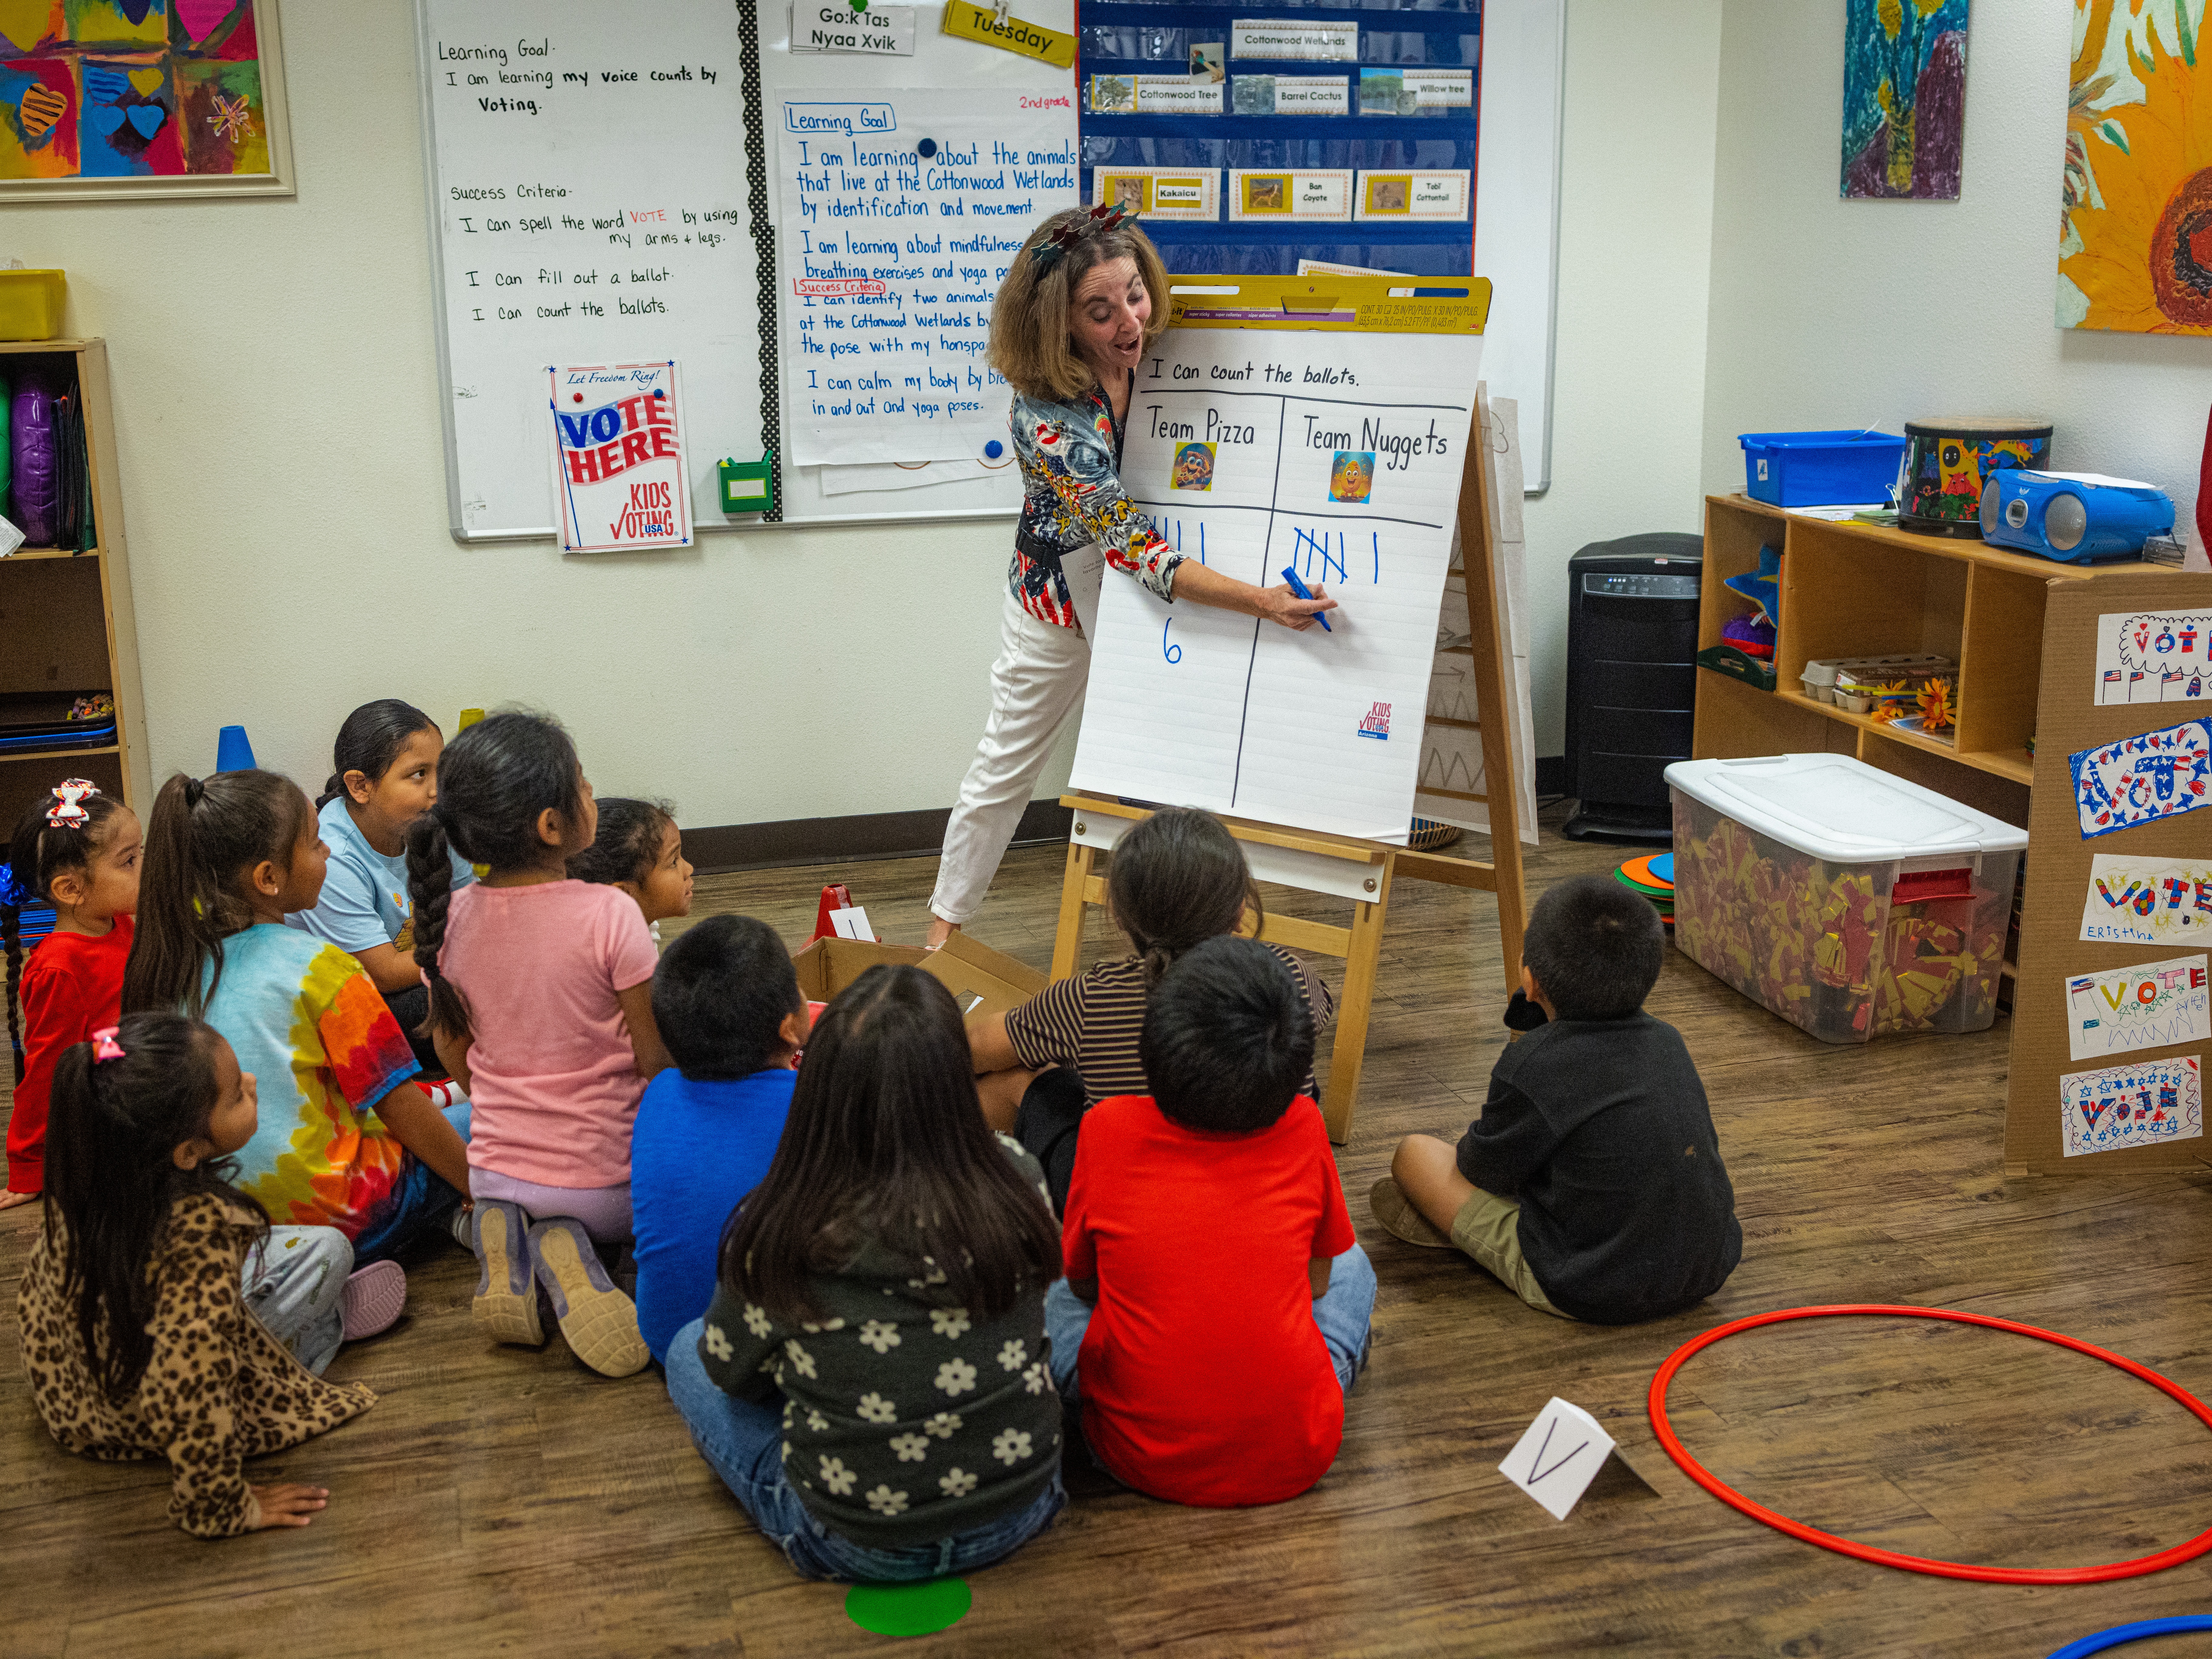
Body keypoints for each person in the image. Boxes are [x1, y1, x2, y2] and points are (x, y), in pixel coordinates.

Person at [924, 204, 1338, 949]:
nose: (1129, 322)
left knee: (1183, 756)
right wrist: (1257, 601)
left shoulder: (1168, 352)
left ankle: (1196, 929)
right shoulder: (1044, 415)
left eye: (1134, 295)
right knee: (1005, 767)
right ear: (1057, 323)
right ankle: (939, 941)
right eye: (1100, 310)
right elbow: (1134, 548)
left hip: (1165, 592)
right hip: (1060, 603)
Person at [665, 965, 1065, 1582]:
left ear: (820, 1086)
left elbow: (728, 1370)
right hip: (1021, 1507)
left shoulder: (778, 1220)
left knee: (684, 1352)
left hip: (855, 1539)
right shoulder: (1018, 1173)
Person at [15, 1012, 386, 1538]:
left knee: (288, 1250)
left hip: (80, 1394)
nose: (252, 1085)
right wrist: (222, 1502)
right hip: (140, 1415)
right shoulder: (198, 1237)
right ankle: (325, 1325)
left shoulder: (94, 1168)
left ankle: (321, 1318)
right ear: (187, 1152)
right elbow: (191, 1379)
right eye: (236, 1095)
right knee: (330, 1248)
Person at [1046, 936, 1375, 1506]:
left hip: (1128, 1450)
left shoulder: (1106, 1125)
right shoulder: (1304, 1120)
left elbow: (1081, 1283)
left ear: (1154, 1049)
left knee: (1049, 1282)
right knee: (1354, 1263)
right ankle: (1310, 1377)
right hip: (1299, 1449)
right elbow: (1319, 1282)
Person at [121, 770, 471, 1267]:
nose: (327, 851)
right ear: (268, 877)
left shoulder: (167, 971)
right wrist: (476, 1183)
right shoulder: (322, 966)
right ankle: (455, 1219)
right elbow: (401, 1112)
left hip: (237, 1225)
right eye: (314, 842)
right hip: (350, 1212)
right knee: (495, 1121)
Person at [407, 710, 666, 1378]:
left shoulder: (448, 919)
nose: (592, 795)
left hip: (495, 1171)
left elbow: (458, 1059)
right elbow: (653, 1058)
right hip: (609, 1185)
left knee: (476, 1116)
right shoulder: (610, 912)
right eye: (582, 786)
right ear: (553, 827)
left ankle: (526, 1234)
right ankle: (597, 1253)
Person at [1371, 874, 1743, 1325]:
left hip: (1590, 1287)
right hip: (1706, 1270)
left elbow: (1480, 1170)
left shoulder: (1533, 1064)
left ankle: (1478, 1240)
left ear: (1531, 979)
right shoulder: (1669, 1041)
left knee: (1415, 1155)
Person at [967, 806, 1333, 1210]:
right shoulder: (1292, 978)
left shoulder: (1089, 998)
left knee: (1019, 1076)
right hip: (1270, 1194)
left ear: (1121, 918)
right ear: (1240, 910)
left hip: (1135, 1198)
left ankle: (938, 1165)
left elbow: (977, 1046)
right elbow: (1318, 1015)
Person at [630, 915, 802, 1364]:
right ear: (790, 1029)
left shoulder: (659, 1095)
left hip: (671, 1345)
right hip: (783, 1356)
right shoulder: (816, 1102)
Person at [285, 700, 475, 1077]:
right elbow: (386, 972)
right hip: (365, 1002)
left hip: (424, 969)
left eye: (443, 770)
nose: (438, 790)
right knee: (453, 1001)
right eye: (419, 774)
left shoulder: (432, 822)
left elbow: (475, 910)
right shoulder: (332, 856)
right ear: (360, 786)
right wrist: (478, 951)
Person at [2, 780, 141, 1210]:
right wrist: (28, 1168)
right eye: (130, 861)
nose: (144, 869)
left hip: (137, 1065)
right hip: (111, 1105)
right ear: (70, 890)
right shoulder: (58, 969)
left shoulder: (117, 923)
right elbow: (46, 1073)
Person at [567, 796, 694, 941]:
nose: (689, 869)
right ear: (624, 895)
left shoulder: (636, 929)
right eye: (673, 862)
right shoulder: (622, 958)